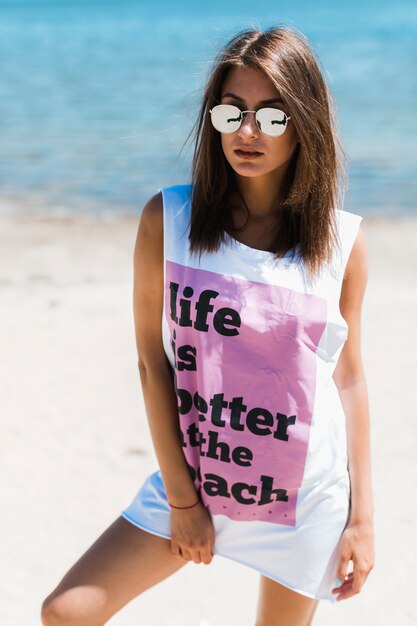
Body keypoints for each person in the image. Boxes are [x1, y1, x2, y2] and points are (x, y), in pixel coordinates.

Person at [41, 25, 375, 626]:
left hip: (303, 500)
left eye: (272, 117)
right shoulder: (169, 218)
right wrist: (181, 499)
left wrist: (363, 520)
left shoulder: (342, 243)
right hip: (198, 478)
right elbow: (153, 359)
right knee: (68, 613)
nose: (247, 132)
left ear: (305, 125)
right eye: (232, 112)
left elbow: (348, 379)